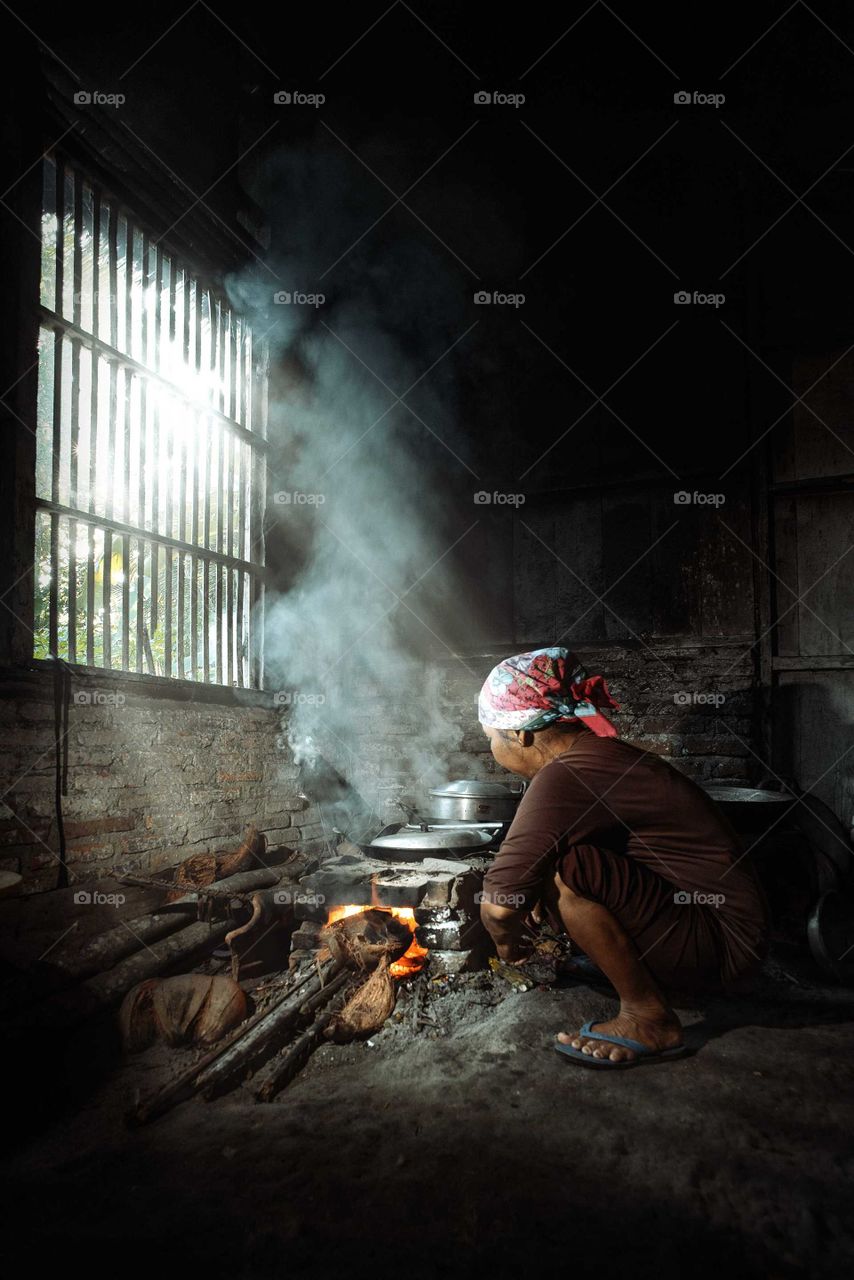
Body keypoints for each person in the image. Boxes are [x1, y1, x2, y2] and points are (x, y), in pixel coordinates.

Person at [477, 646, 769, 1069]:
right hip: (725, 933)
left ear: (519, 734)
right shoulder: (596, 753)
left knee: (566, 868)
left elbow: (499, 907)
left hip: (723, 945)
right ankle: (637, 973)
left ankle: (648, 1017)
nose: (492, 749)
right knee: (553, 858)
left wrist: (509, 950)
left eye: (490, 738)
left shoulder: (567, 774)